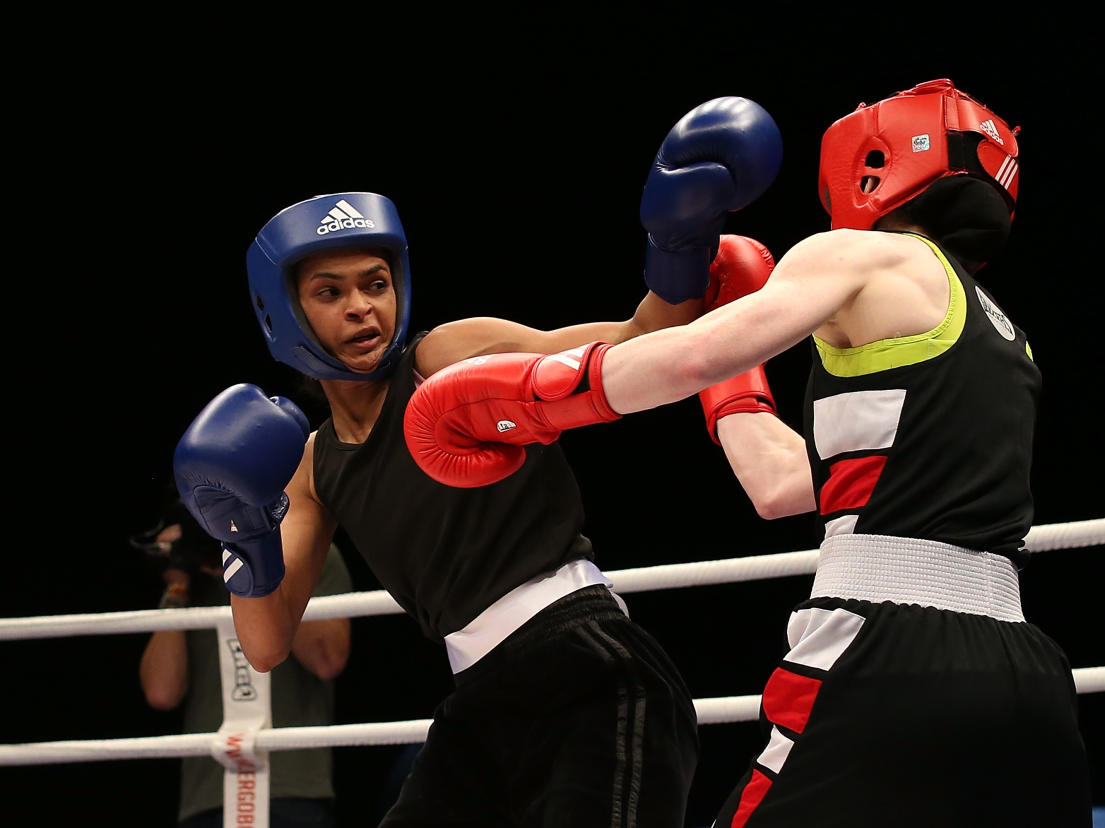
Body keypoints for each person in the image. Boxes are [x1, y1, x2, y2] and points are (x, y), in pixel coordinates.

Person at [404, 78, 1095, 826]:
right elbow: (782, 482)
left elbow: (685, 357)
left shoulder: (862, 255)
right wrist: (739, 374)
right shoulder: (1000, 332)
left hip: (888, 652)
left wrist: (529, 393)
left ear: (873, 159)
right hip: (1026, 675)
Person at [171, 95, 784, 826]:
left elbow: (642, 340)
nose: (363, 307)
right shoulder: (313, 467)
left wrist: (681, 242)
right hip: (479, 706)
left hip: (588, 662)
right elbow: (267, 644)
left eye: (375, 282)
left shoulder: (447, 356)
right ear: (286, 313)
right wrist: (244, 535)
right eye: (329, 293)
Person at [137, 490, 353, 828]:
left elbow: (327, 659)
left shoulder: (310, 551)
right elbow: (161, 692)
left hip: (290, 787)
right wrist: (178, 584)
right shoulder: (195, 577)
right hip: (207, 793)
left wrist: (257, 566)